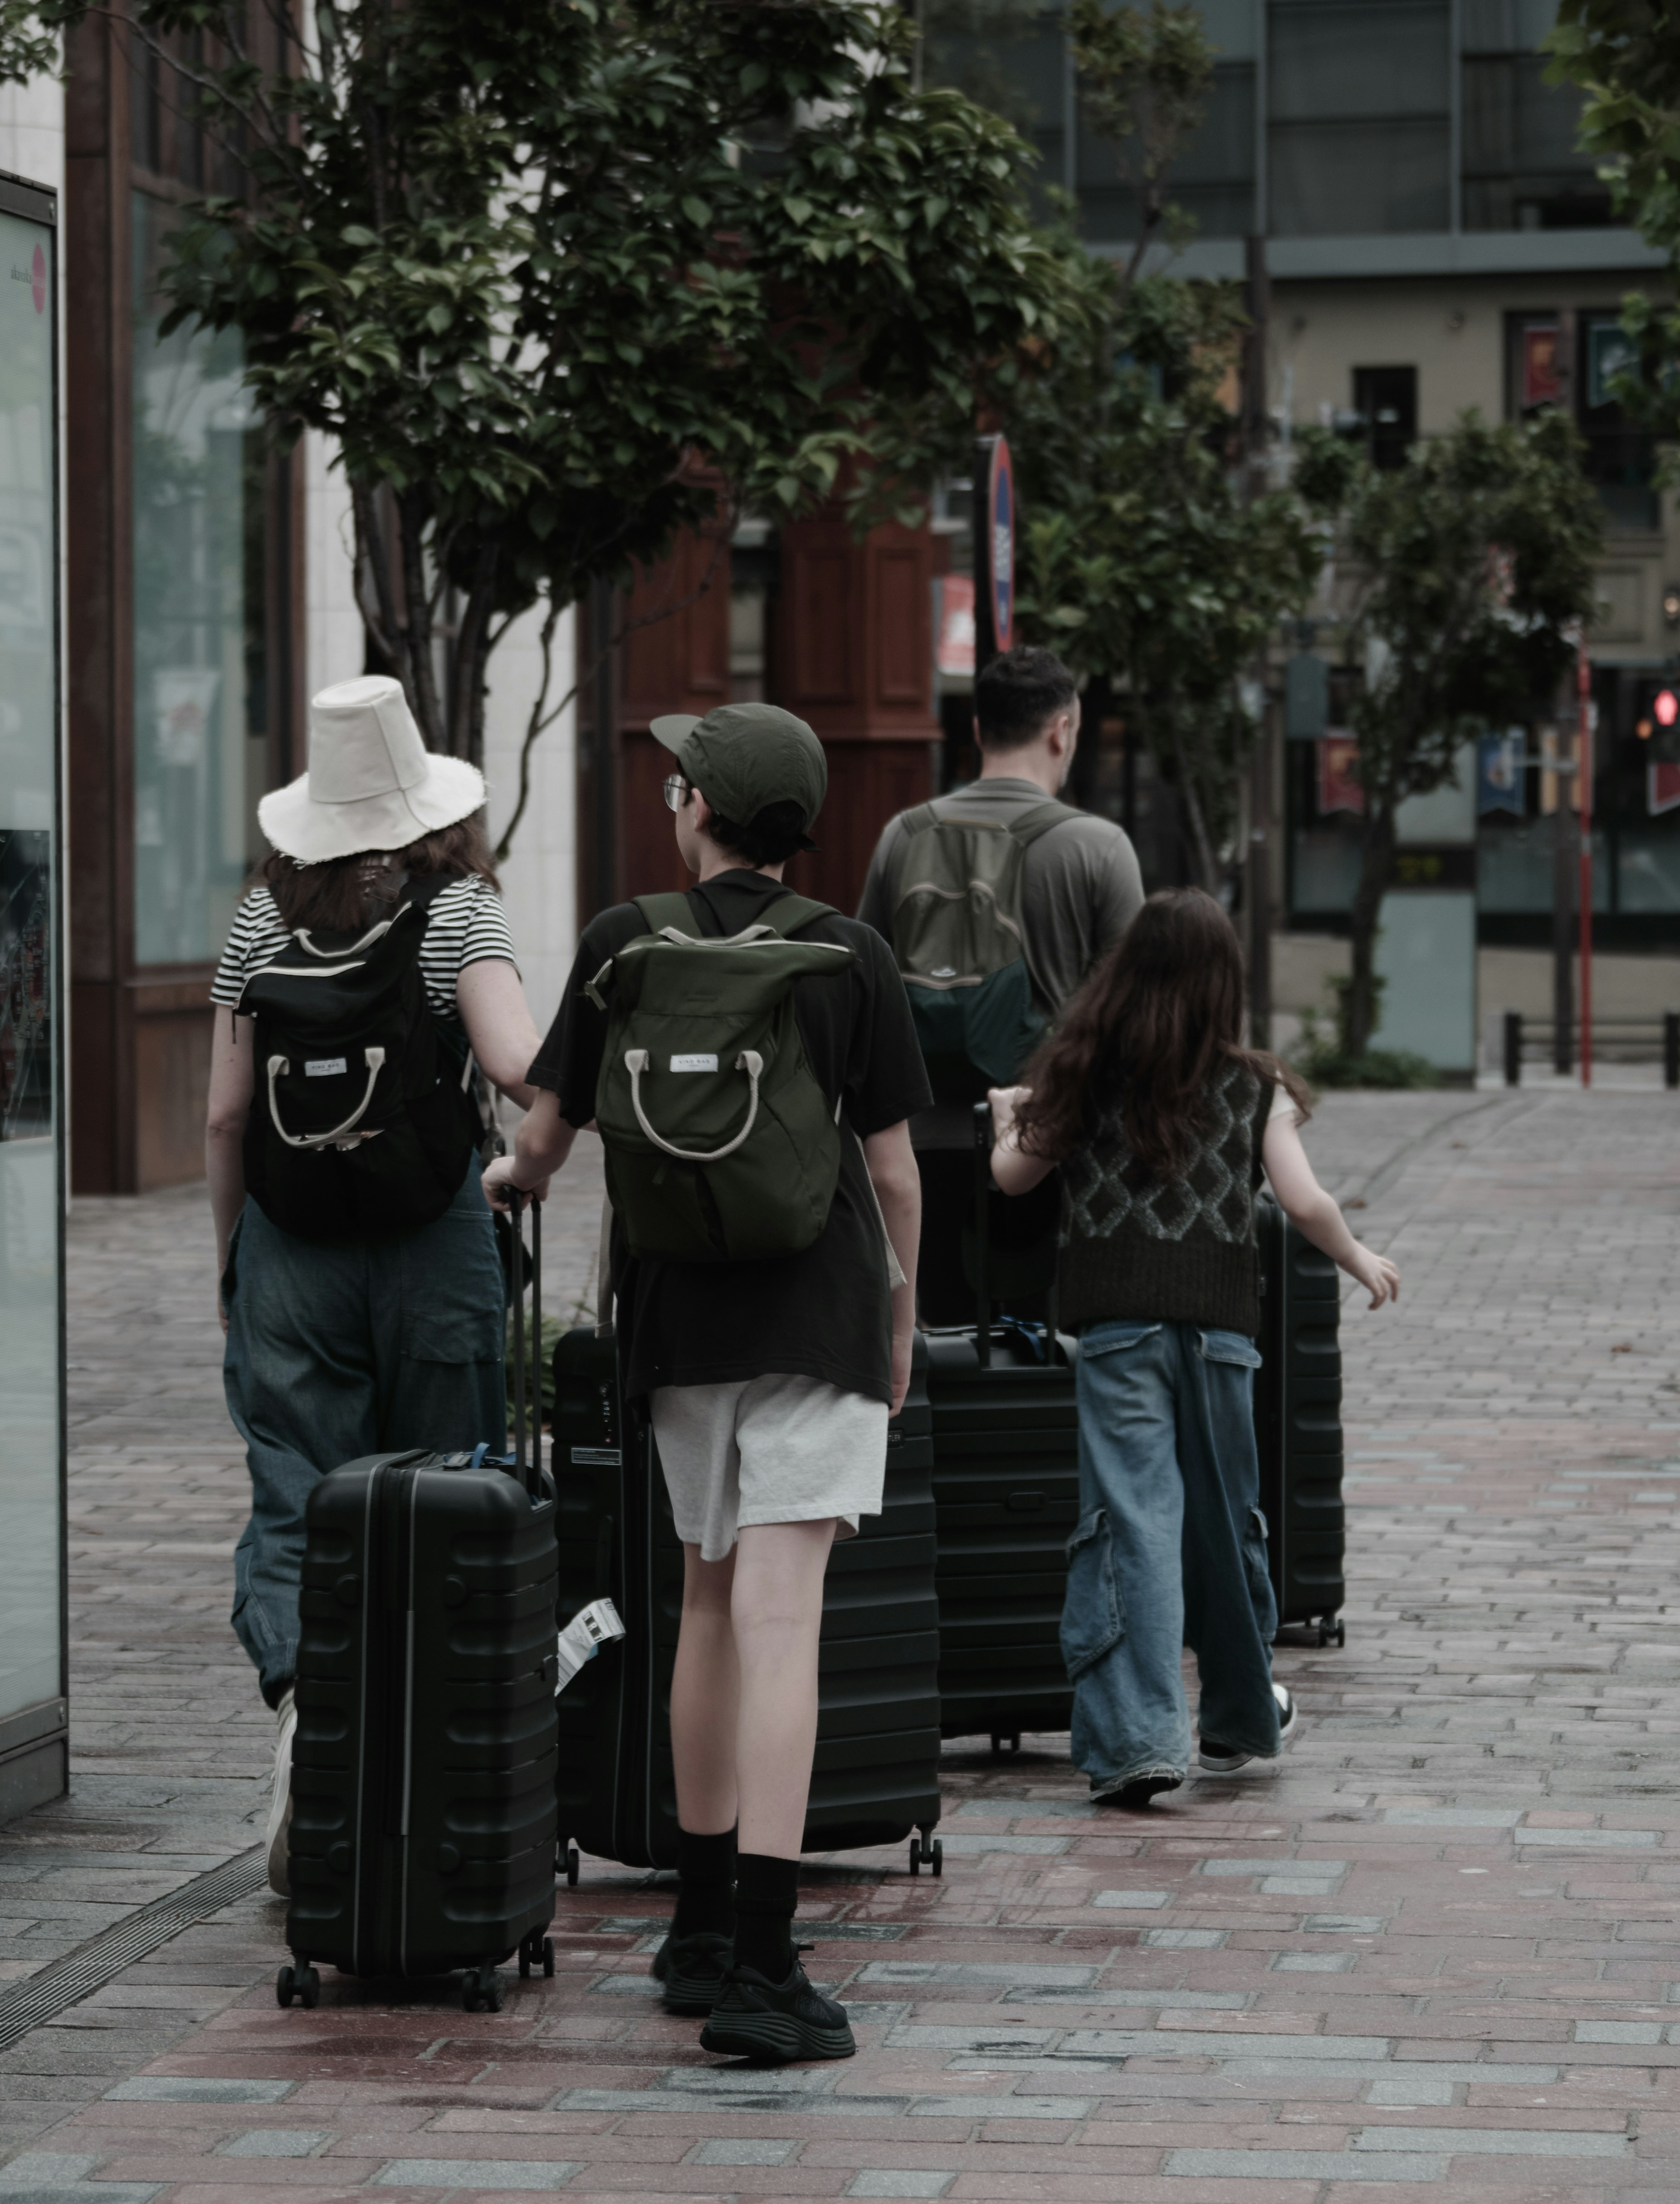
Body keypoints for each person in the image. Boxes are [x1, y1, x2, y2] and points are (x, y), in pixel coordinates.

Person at [484, 702, 929, 2063]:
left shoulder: (626, 942)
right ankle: (764, 1966)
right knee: (786, 1622)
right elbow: (898, 1176)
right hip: (819, 1311)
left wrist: (512, 1180)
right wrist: (902, 1320)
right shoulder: (849, 958)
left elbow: (544, 1137)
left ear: (694, 808)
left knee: (707, 1602)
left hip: (675, 1325)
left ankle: (693, 1926)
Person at [205, 676, 544, 1892]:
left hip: (291, 1247)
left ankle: (310, 1712)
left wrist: (236, 1265)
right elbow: (516, 1065)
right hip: (432, 1241)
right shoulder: (461, 916)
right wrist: (533, 1150)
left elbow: (228, 1114)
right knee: (449, 1493)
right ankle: (434, 1775)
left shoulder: (258, 927)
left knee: (299, 1498)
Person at [987, 888, 1397, 1807]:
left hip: (1117, 1328)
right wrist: (1359, 1257)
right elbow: (1303, 1204)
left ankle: (1140, 1741)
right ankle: (1241, 1719)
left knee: (1132, 1522)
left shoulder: (1087, 1067)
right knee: (1226, 1521)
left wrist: (1001, 1116)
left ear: (1128, 968)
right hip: (1221, 1335)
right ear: (1224, 983)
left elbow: (1013, 1175)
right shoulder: (1256, 1084)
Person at [856, 646, 1144, 1322]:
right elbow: (1138, 1014)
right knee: (1050, 1356)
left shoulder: (903, 836)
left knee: (944, 1343)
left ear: (979, 730)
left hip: (922, 1148)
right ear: (1063, 729)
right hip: (1052, 1145)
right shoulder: (1098, 847)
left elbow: (866, 990)